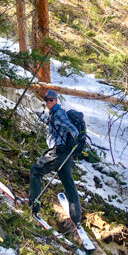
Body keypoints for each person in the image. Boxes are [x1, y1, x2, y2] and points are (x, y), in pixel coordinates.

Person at [29, 90, 82, 225]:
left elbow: (71, 128)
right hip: (64, 154)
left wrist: (77, 137)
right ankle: (76, 217)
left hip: (58, 152)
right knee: (68, 183)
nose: (48, 102)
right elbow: (50, 122)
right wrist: (39, 115)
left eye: (50, 100)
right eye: (46, 100)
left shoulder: (59, 113)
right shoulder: (53, 113)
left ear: (56, 100)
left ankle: (33, 207)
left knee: (36, 170)